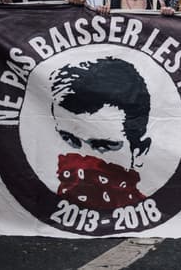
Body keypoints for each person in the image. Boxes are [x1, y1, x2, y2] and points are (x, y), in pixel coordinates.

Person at [49, 57, 152, 210]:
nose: (84, 162)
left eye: (104, 145)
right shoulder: (35, 208)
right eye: (68, 139)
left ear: (139, 153)